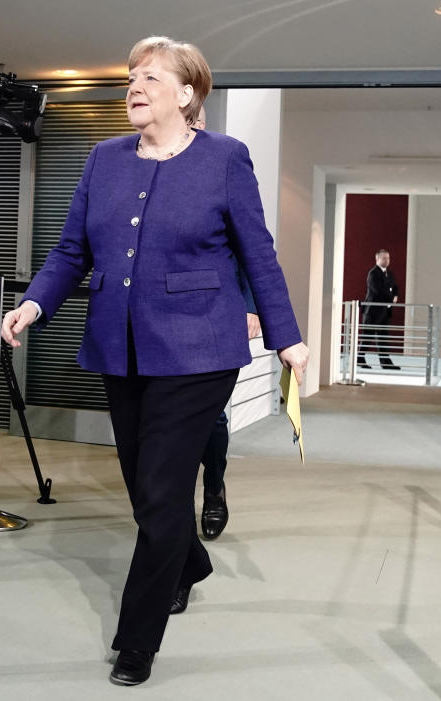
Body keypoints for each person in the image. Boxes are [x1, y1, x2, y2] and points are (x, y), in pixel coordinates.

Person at [1, 36, 309, 686]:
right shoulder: (103, 159)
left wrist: (286, 336)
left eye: (149, 77)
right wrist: (34, 305)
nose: (134, 86)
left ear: (187, 93)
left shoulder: (225, 158)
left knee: (163, 491)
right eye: (131, 77)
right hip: (120, 346)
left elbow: (258, 254)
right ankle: (189, 561)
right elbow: (68, 251)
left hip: (199, 348)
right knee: (147, 492)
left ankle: (136, 640)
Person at [192, 106, 262, 541]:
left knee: (213, 420)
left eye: (197, 122)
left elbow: (253, 250)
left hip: (218, 318)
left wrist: (253, 307)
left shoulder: (224, 168)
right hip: (168, 322)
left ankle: (213, 487)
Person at [357, 248, 400, 370]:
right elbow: (377, 291)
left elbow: (395, 287)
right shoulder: (373, 273)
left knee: (383, 337)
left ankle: (385, 361)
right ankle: (360, 358)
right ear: (377, 259)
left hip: (385, 311)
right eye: (384, 258)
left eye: (388, 258)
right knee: (368, 336)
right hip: (372, 311)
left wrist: (395, 295)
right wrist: (391, 298)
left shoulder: (389, 273)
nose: (387, 260)